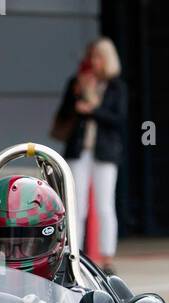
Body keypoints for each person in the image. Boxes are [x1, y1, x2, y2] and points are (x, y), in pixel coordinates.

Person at [52, 36, 127, 275]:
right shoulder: (77, 82)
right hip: (78, 150)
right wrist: (77, 95)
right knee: (76, 205)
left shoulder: (116, 87)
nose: (93, 61)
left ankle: (107, 257)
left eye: (97, 56)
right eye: (90, 56)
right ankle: (75, 253)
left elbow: (118, 120)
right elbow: (63, 114)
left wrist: (94, 109)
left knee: (105, 205)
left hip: (104, 152)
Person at [0, 175, 68, 281]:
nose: (15, 255)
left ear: (58, 237)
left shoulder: (78, 295)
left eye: (27, 245)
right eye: (4, 246)